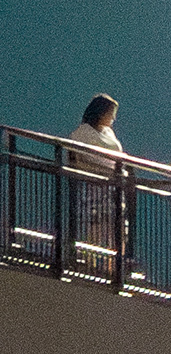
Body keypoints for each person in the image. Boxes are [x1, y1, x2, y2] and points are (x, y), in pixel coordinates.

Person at [63, 94, 122, 276]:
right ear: (100, 112)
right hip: (95, 185)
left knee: (117, 225)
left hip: (113, 184)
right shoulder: (83, 133)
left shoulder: (108, 132)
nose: (113, 118)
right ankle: (92, 262)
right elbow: (80, 156)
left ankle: (114, 266)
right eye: (111, 113)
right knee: (96, 224)